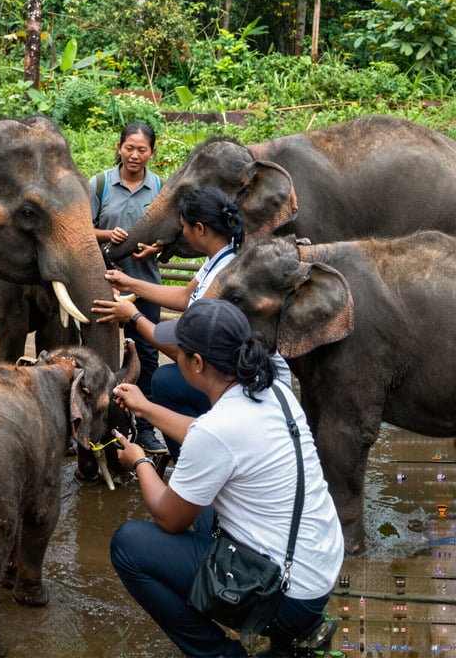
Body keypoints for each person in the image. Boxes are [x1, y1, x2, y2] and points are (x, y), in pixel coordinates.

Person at [109, 298, 343, 658]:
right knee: (201, 506)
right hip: (317, 571)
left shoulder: (218, 428)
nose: (177, 356)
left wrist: (139, 461)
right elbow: (210, 434)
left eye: (180, 351)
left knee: (129, 545)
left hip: (285, 596)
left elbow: (169, 518)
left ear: (197, 363)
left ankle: (220, 653)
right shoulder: (274, 390)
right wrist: (146, 408)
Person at [93, 186, 291, 461]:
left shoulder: (227, 274)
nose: (182, 232)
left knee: (166, 381)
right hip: (239, 374)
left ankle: (195, 461)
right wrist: (131, 283)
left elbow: (181, 350)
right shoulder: (221, 258)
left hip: (256, 388)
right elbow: (186, 296)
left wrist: (133, 317)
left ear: (199, 229)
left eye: (183, 226)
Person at [90, 122, 166, 454]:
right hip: (103, 283)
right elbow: (81, 230)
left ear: (152, 152)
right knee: (101, 355)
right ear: (119, 148)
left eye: (142, 149)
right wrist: (108, 235)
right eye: (129, 148)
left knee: (147, 356)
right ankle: (98, 426)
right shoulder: (100, 184)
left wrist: (156, 247)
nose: (135, 155)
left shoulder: (159, 187)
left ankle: (145, 430)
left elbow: (167, 233)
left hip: (146, 286)